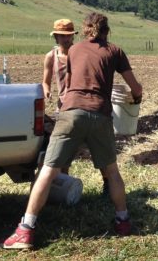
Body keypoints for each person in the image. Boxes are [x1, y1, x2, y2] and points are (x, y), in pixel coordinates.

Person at [2, 12, 143, 249]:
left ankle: (25, 230)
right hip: (100, 114)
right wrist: (136, 97)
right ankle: (123, 221)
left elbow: (69, 81)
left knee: (47, 170)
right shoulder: (115, 51)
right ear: (107, 31)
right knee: (112, 171)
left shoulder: (73, 51)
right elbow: (135, 87)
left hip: (70, 112)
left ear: (84, 30)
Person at [41, 19, 108, 194]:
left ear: (73, 36)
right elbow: (45, 82)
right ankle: (64, 186)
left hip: (85, 105)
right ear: (55, 37)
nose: (65, 39)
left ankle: (107, 182)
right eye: (61, 36)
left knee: (97, 148)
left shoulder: (80, 52)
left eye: (68, 35)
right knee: (63, 153)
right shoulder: (51, 57)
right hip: (63, 108)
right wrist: (47, 91)